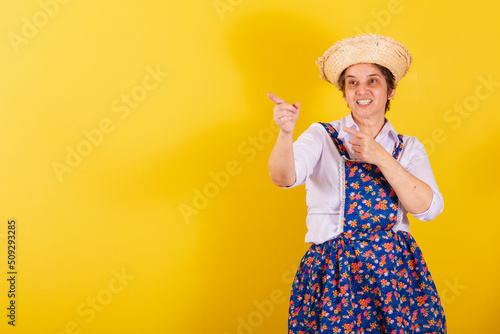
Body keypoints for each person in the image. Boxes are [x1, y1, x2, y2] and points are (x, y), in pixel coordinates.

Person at [267, 34, 446, 333]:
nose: (362, 90)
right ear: (344, 92)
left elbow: (428, 208)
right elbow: (284, 177)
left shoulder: (409, 147)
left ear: (390, 90)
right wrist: (285, 134)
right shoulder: (321, 136)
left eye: (373, 81)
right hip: (333, 274)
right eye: (352, 82)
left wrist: (381, 157)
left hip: (395, 277)